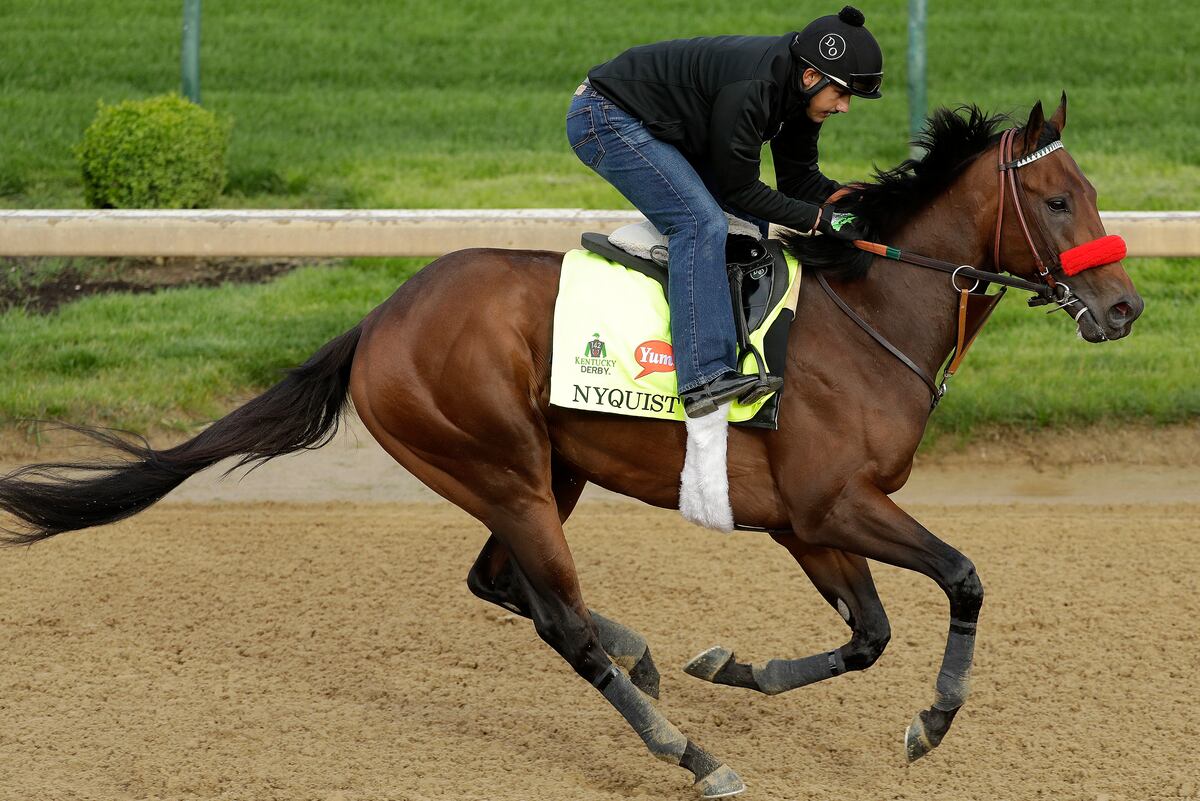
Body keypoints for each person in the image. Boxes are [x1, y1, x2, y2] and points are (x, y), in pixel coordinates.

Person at [566, 6, 883, 417]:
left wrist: (853, 203)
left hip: (665, 127)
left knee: (749, 232)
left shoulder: (800, 97)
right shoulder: (754, 88)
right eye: (842, 94)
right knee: (700, 224)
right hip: (604, 116)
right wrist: (821, 220)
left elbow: (799, 183)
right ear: (810, 77)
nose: (845, 107)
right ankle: (703, 377)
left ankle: (740, 357)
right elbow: (741, 188)